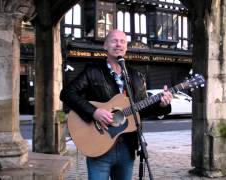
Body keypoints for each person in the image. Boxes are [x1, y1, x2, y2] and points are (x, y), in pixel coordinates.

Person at [60, 29, 173, 180]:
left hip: (127, 147)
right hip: (98, 144)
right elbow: (67, 94)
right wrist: (94, 112)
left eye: (122, 41)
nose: (118, 44)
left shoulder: (137, 76)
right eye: (114, 41)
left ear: (126, 47)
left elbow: (141, 111)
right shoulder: (93, 71)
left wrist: (162, 105)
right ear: (105, 46)